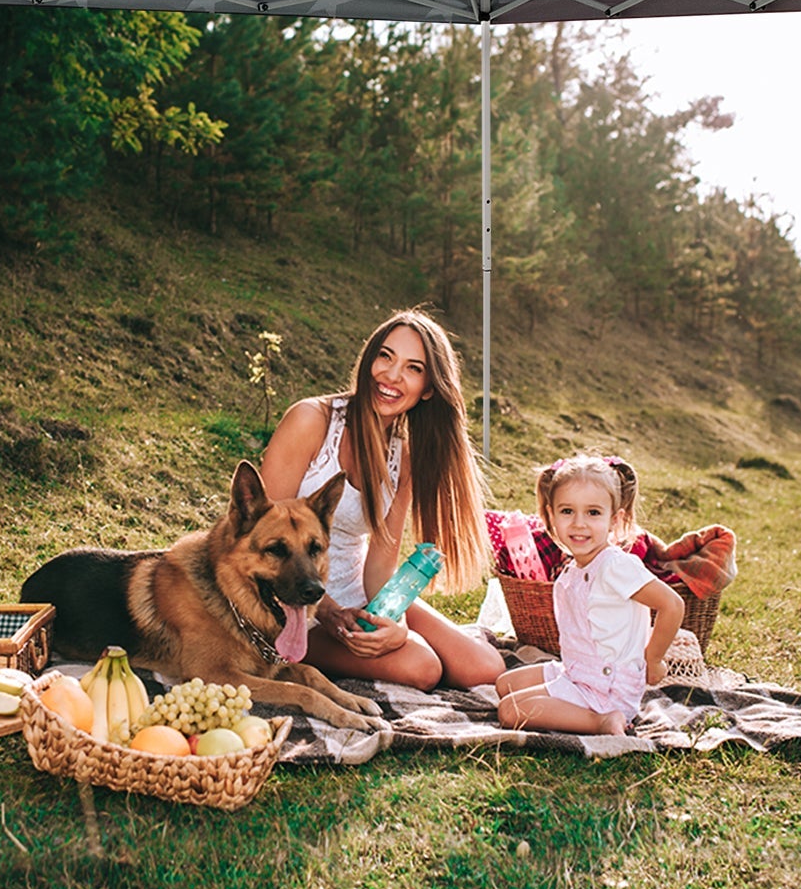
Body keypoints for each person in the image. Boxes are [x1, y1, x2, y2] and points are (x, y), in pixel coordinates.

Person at [259, 310, 506, 690]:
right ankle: (288, 649)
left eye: (413, 367)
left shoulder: (403, 456)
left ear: (428, 388)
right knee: (422, 667)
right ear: (369, 359)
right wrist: (326, 612)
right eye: (385, 357)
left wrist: (397, 624)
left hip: (355, 594)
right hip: (293, 595)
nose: (391, 376)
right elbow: (262, 536)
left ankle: (366, 640)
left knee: (484, 667)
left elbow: (380, 565)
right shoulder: (312, 421)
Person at [495, 454, 683, 735]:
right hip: (580, 671)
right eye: (567, 511)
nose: (579, 524)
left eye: (593, 513)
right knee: (503, 685)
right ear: (551, 516)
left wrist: (653, 659)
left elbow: (672, 604)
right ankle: (574, 704)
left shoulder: (614, 565)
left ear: (614, 519)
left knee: (510, 711)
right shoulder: (573, 567)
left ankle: (602, 720)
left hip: (607, 687)